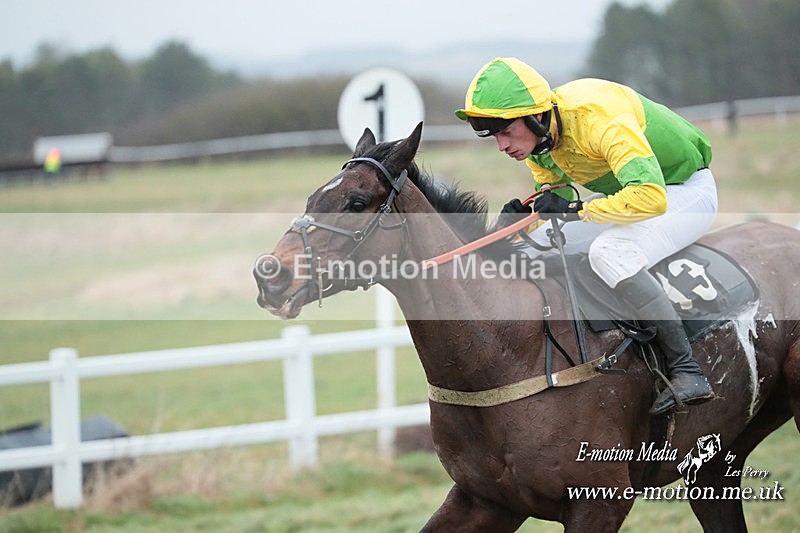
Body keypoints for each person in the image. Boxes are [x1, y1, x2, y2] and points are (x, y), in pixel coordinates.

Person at [455, 57, 717, 415]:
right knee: (530, 249)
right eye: (494, 136)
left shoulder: (598, 117)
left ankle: (687, 368)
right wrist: (517, 221)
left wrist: (579, 211)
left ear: (535, 116)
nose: (502, 146)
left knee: (609, 252)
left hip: (685, 191)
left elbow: (650, 196)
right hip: (632, 195)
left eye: (505, 132)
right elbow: (555, 198)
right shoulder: (542, 142)